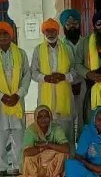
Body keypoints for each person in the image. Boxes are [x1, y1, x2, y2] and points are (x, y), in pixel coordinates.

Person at [0, 21, 31, 177]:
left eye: (6, 33)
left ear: (11, 35)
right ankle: (1, 167)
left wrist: (18, 94)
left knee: (19, 135)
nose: (3, 36)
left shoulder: (21, 53)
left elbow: (26, 76)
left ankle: (18, 166)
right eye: (0, 34)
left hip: (17, 99)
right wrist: (1, 96)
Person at [32, 18, 77, 149]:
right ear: (44, 32)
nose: (50, 33)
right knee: (46, 135)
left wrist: (64, 76)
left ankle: (69, 159)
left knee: (67, 135)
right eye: (47, 31)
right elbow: (33, 72)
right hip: (46, 99)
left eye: (53, 30)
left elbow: (75, 70)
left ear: (58, 32)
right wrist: (45, 78)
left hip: (65, 100)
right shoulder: (38, 49)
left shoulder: (67, 49)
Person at [19, 105, 70, 177]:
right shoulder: (31, 130)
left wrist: (48, 144)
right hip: (38, 160)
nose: (43, 119)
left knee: (63, 154)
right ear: (35, 118)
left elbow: (66, 148)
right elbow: (26, 152)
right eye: (40, 117)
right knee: (28, 157)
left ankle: (55, 175)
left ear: (50, 117)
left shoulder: (56, 128)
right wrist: (41, 149)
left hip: (51, 161)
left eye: (46, 116)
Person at [59, 8, 84, 141]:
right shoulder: (60, 46)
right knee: (67, 123)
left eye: (75, 23)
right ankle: (69, 150)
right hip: (65, 87)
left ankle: (83, 150)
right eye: (68, 23)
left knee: (83, 121)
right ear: (64, 26)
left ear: (79, 24)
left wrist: (79, 81)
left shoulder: (86, 43)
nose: (72, 26)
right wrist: (71, 82)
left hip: (84, 86)